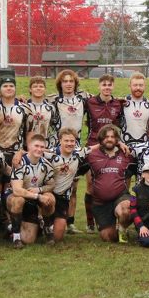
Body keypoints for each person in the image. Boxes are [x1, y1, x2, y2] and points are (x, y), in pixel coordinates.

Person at [47, 69, 89, 233]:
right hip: (58, 148)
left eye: (71, 81)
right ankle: (50, 219)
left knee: (73, 186)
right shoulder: (53, 100)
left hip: (75, 146)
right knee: (54, 183)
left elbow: (102, 100)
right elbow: (34, 102)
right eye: (65, 81)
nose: (68, 84)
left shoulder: (84, 99)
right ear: (60, 84)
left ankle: (70, 222)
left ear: (75, 83)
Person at [86, 124, 136, 242]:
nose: (109, 139)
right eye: (106, 136)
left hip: (121, 196)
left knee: (126, 209)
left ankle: (123, 229)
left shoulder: (126, 154)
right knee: (109, 237)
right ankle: (113, 228)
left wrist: (121, 144)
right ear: (101, 139)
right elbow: (74, 152)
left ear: (117, 139)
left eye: (113, 137)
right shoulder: (91, 155)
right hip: (100, 202)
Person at [7, 134, 56, 248]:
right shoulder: (19, 163)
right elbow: (17, 190)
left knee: (50, 198)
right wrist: (38, 196)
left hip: (33, 198)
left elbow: (51, 185)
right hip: (17, 197)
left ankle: (47, 228)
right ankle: (15, 236)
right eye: (36, 146)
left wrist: (39, 189)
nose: (39, 149)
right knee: (18, 200)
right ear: (29, 146)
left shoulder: (47, 164)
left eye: (42, 147)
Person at [46, 128, 86, 244]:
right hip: (49, 194)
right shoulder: (51, 153)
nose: (69, 143)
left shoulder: (78, 153)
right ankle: (42, 222)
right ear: (60, 141)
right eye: (66, 140)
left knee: (58, 237)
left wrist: (119, 143)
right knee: (49, 200)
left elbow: (94, 148)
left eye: (72, 141)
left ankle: (51, 225)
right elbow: (34, 150)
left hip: (63, 198)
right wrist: (19, 153)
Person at [0, 75, 30, 166]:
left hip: (16, 154)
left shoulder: (25, 108)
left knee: (15, 180)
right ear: (0, 89)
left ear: (15, 88)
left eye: (11, 86)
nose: (9, 88)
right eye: (5, 86)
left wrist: (26, 152)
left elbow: (29, 132)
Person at [121, 72, 149, 146]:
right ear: (129, 86)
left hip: (145, 147)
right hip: (125, 147)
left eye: (141, 85)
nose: (138, 88)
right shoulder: (121, 103)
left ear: (145, 86)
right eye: (135, 85)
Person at [25, 76, 58, 147]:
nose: (38, 88)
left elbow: (54, 129)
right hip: (27, 146)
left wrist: (52, 144)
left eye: (41, 86)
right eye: (35, 86)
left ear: (45, 89)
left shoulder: (51, 108)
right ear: (30, 89)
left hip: (45, 146)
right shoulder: (24, 107)